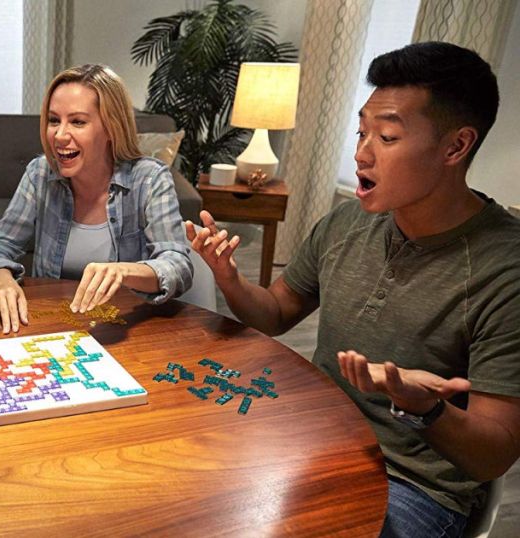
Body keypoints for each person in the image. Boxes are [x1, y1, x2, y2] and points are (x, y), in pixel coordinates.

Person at [184, 42, 520, 537]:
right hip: (312, 437)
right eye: (361, 132)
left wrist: (423, 408)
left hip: (412, 485)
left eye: (386, 136)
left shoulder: (504, 269)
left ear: (455, 147)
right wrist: (229, 278)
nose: (361, 153)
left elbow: (494, 452)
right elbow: (275, 313)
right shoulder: (347, 223)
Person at [0, 64, 193, 333]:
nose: (60, 135)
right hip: (54, 326)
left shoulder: (149, 178)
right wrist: (4, 283)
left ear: (112, 128)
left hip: (127, 329)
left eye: (78, 122)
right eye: (54, 120)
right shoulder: (40, 172)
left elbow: (178, 265)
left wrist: (125, 272)